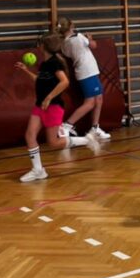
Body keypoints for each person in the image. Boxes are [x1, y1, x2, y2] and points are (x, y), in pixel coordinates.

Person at [16, 33, 84, 183]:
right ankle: (38, 170)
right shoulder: (44, 64)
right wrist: (25, 70)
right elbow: (39, 80)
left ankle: (87, 140)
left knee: (53, 142)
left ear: (43, 46)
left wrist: (48, 98)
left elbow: (64, 82)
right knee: (30, 135)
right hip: (40, 105)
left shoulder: (54, 63)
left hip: (53, 106)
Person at [55, 17, 111, 141]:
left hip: (86, 72)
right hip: (87, 72)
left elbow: (69, 53)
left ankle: (95, 128)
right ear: (71, 26)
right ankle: (66, 125)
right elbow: (94, 45)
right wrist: (89, 39)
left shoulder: (64, 44)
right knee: (90, 103)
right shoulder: (79, 37)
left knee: (99, 98)